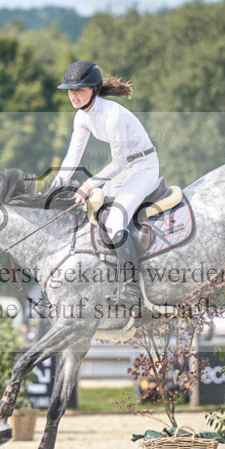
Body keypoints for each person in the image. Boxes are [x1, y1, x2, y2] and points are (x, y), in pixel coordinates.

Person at [51, 60, 160, 306]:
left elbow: (119, 162)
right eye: (70, 90)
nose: (73, 95)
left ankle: (133, 291)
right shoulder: (81, 117)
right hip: (124, 171)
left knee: (113, 221)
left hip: (143, 167)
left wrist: (88, 184)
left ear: (93, 89)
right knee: (92, 215)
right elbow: (72, 158)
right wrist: (51, 188)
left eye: (78, 89)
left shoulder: (112, 115)